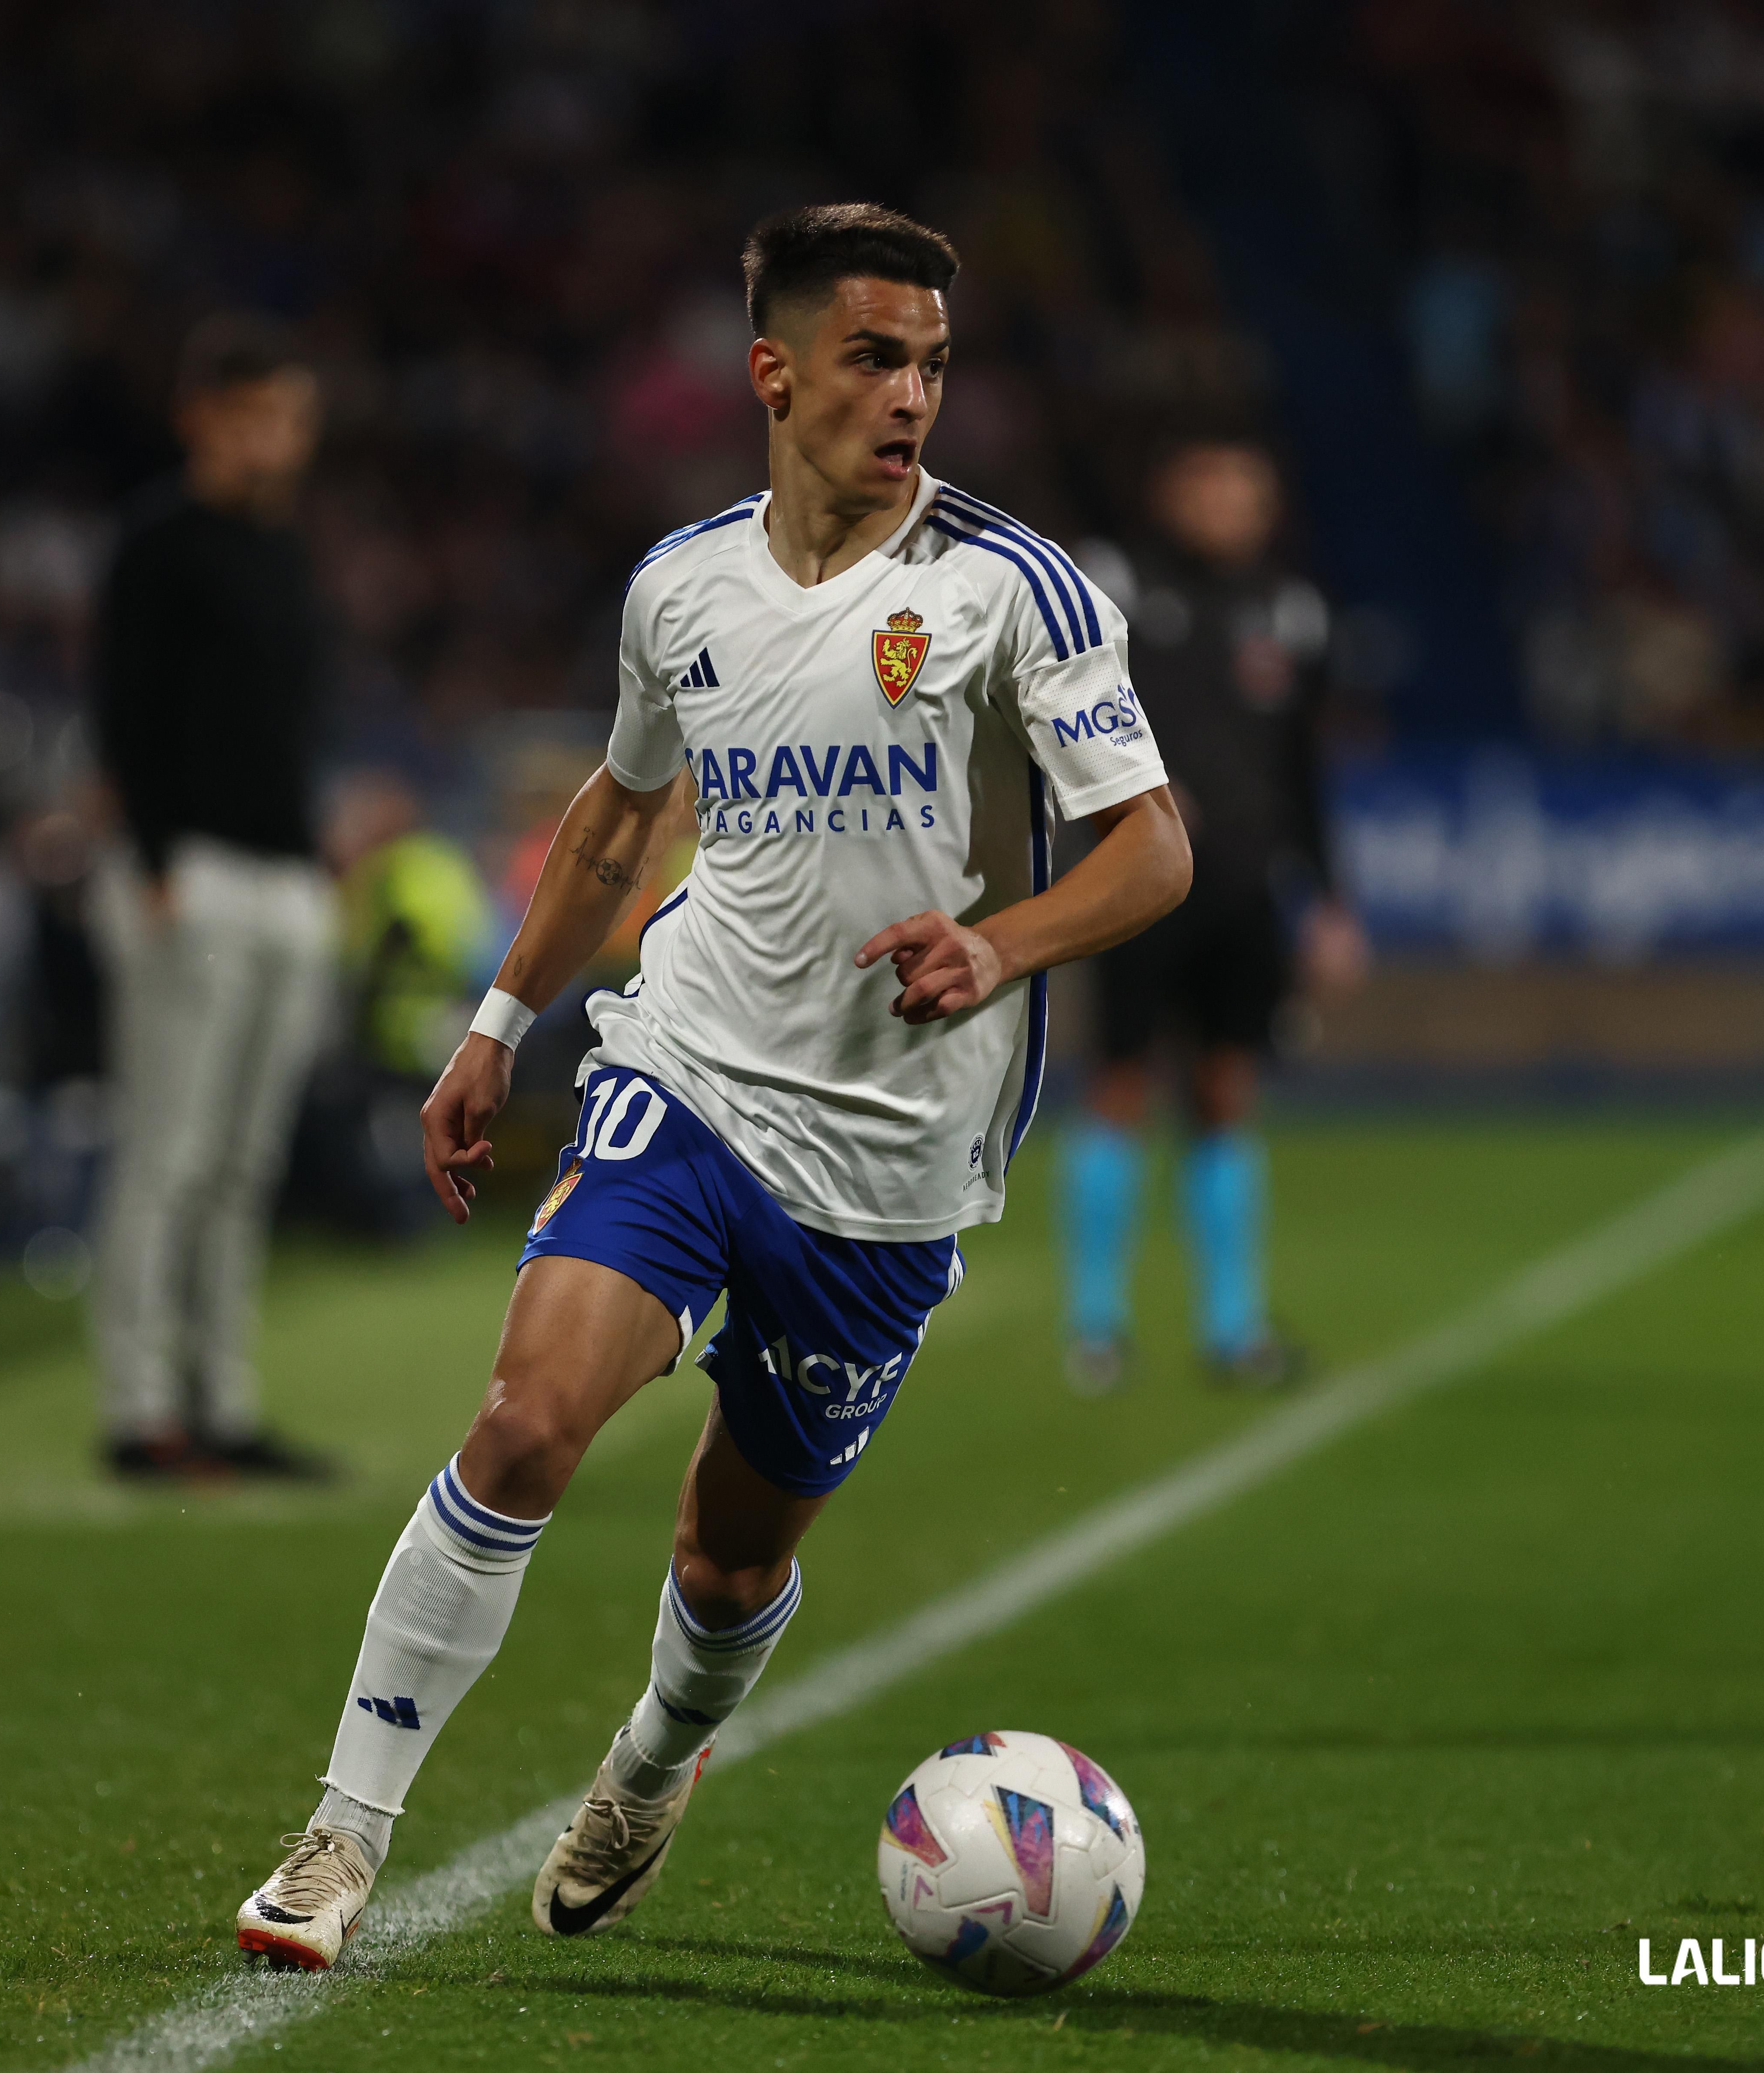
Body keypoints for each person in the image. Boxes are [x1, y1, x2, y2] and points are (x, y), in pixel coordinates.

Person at [231, 202, 1192, 1970]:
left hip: (893, 1162)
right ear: (774, 371)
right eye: (872, 357)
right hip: (685, 1073)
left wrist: (1006, 942)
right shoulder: (682, 587)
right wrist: (498, 1025)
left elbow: (1152, 854)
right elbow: (616, 819)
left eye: (930, 364)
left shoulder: (1011, 589)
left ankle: (651, 1763)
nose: (909, 396)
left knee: (731, 1554)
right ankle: (338, 1840)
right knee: (524, 1423)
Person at [1056, 439, 1368, 1393]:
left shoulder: (1290, 610)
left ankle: (1231, 1329)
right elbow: (1057, 714)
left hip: (1242, 890)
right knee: (1120, 1086)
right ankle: (1096, 1327)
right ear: (1174, 492)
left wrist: (1327, 901)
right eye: (1213, 487)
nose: (1231, 506)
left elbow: (1303, 772)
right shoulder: (1111, 587)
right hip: (1136, 884)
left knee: (1227, 1092)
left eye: (1249, 492)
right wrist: (1125, 798)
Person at [87, 312, 339, 1483]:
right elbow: (122, 712)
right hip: (191, 872)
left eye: (288, 419)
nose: (272, 441)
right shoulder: (160, 545)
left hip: (285, 878)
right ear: (202, 417)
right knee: (170, 1153)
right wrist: (150, 862)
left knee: (241, 1164)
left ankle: (222, 1403)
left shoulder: (284, 555)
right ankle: (141, 1408)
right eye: (253, 416)